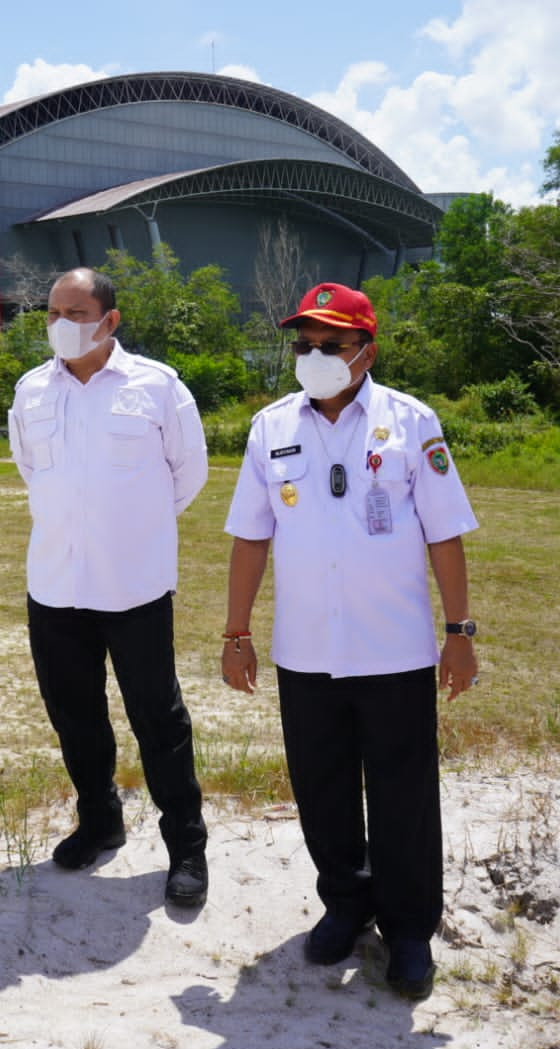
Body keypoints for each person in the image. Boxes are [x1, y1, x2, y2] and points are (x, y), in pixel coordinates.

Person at [221, 281, 478, 1000]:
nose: (312, 356)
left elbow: (445, 530)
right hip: (305, 650)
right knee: (322, 788)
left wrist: (459, 631)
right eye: (302, 344)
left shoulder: (410, 421)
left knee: (403, 795)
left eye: (328, 345)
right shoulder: (271, 426)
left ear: (365, 350)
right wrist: (236, 630)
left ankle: (406, 930)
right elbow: (250, 534)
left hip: (392, 649)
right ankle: (345, 898)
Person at [8, 267, 211, 907]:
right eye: (51, 313)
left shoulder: (158, 387)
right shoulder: (31, 391)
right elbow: (29, 470)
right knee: (76, 717)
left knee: (159, 718)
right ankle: (99, 821)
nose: (60, 325)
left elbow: (189, 475)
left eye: (75, 313)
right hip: (56, 587)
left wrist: (131, 529)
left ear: (109, 320)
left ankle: (186, 845)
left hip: (136, 587)